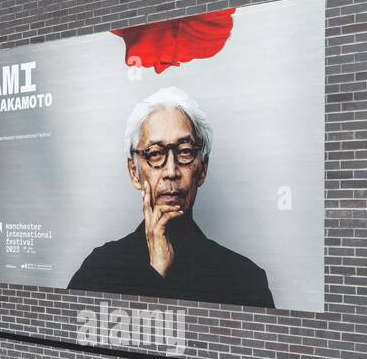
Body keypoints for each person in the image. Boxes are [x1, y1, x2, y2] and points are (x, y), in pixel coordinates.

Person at [68, 87, 275, 308]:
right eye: (155, 154)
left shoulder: (246, 280)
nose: (171, 171)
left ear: (202, 169)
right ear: (134, 172)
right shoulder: (99, 270)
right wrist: (156, 272)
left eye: (185, 151)